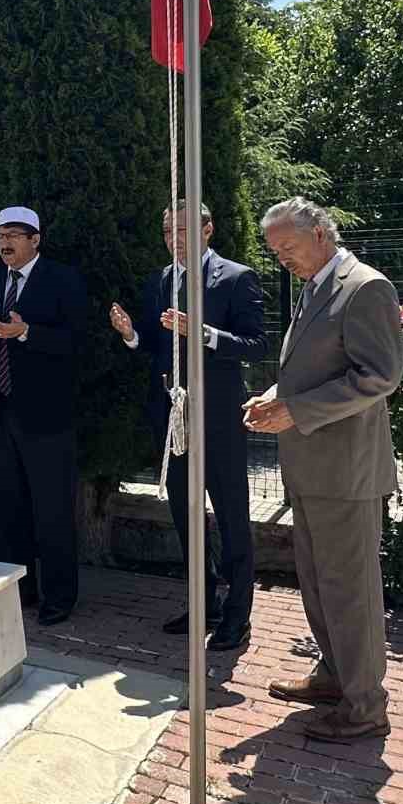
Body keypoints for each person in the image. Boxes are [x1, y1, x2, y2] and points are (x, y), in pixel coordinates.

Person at [245, 197, 403, 743]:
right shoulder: (317, 286)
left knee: (349, 590)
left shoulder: (364, 287)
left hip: (346, 471)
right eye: (275, 251)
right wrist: (274, 396)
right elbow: (311, 367)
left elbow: (379, 376)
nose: (282, 258)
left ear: (319, 233)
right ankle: (335, 677)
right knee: (319, 585)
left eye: (287, 246)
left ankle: (366, 707)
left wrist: (296, 410)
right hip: (313, 467)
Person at [109, 201, 266, 652]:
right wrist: (130, 335)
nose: (174, 238)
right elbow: (158, 345)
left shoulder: (236, 277)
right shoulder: (161, 280)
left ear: (207, 229)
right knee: (186, 516)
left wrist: (203, 332)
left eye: (183, 229)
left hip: (218, 420)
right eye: (167, 231)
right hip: (175, 421)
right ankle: (203, 604)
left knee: (233, 519)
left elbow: (257, 345)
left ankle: (238, 616)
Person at [0, 206, 87, 627]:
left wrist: (27, 332)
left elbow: (76, 342)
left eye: (14, 235)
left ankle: (59, 596)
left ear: (35, 240)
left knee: (52, 510)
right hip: (1, 412)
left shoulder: (62, 280)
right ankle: (20, 590)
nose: (5, 244)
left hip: (47, 418)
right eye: (0, 235)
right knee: (9, 511)